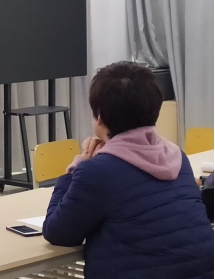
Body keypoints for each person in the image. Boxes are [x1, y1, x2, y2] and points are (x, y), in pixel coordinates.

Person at [42, 61, 214, 279]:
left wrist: (77, 166)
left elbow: (58, 233)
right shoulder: (178, 157)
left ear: (99, 118)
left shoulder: (96, 171)